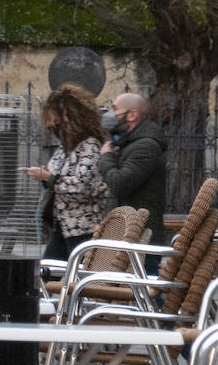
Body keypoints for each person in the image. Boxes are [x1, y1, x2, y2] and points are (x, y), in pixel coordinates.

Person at [26, 84, 109, 262]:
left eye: (56, 121)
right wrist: (44, 177)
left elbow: (81, 186)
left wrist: (49, 178)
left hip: (83, 228)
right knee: (48, 272)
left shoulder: (89, 146)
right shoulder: (65, 148)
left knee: (76, 275)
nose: (51, 126)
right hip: (63, 226)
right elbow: (56, 178)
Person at [99, 91, 168, 275]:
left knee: (145, 296)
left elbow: (120, 183)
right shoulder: (128, 144)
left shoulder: (146, 146)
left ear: (132, 115)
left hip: (142, 239)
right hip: (125, 237)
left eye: (115, 110)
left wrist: (106, 157)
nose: (110, 116)